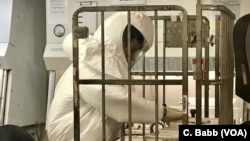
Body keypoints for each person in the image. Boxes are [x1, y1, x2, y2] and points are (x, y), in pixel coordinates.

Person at [47, 12, 182, 141]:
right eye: (132, 49)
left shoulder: (105, 65)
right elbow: (121, 101)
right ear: (119, 40)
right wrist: (165, 113)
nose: (132, 56)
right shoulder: (91, 62)